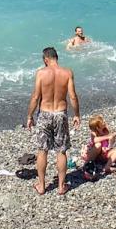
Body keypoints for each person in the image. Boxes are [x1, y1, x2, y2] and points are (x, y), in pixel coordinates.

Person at [25, 46, 80, 196]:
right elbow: (73, 96)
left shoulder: (41, 73)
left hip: (45, 113)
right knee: (61, 151)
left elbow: (36, 97)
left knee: (42, 151)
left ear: (46, 59)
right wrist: (77, 114)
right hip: (60, 114)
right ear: (57, 58)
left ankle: (42, 186)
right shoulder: (67, 72)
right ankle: (61, 186)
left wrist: (29, 116)